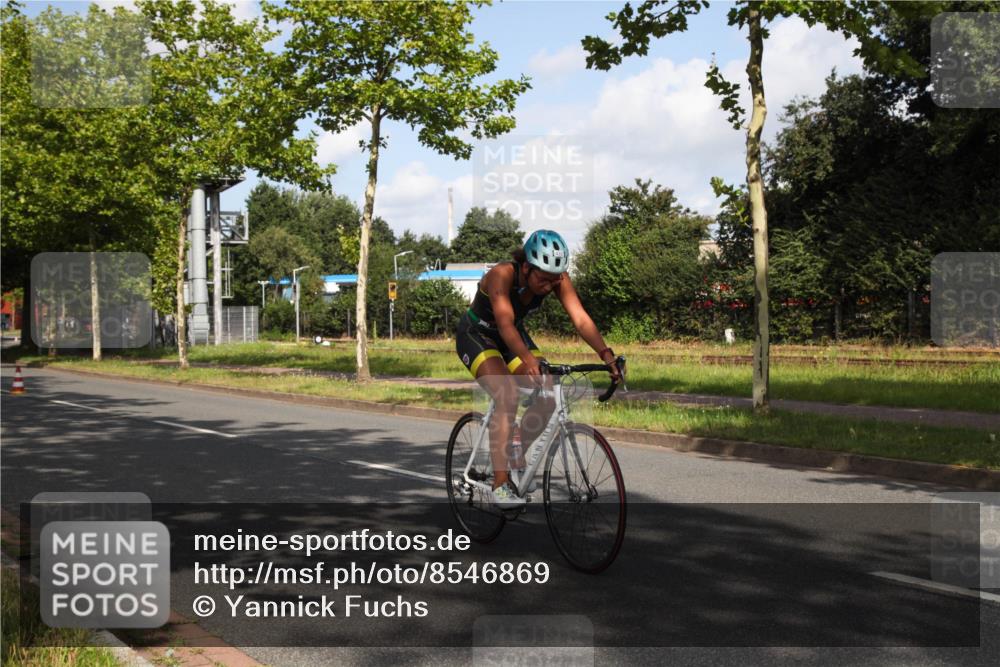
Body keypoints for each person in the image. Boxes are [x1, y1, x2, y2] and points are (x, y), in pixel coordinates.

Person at [455, 229, 622, 508]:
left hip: (513, 337)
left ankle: (516, 447)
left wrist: (606, 354)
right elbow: (505, 324)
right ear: (526, 267)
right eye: (543, 279)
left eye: (554, 279)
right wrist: (528, 360)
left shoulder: (556, 278)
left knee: (549, 392)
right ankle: (500, 485)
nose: (548, 286)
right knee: (507, 394)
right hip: (477, 335)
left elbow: (580, 318)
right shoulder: (501, 275)